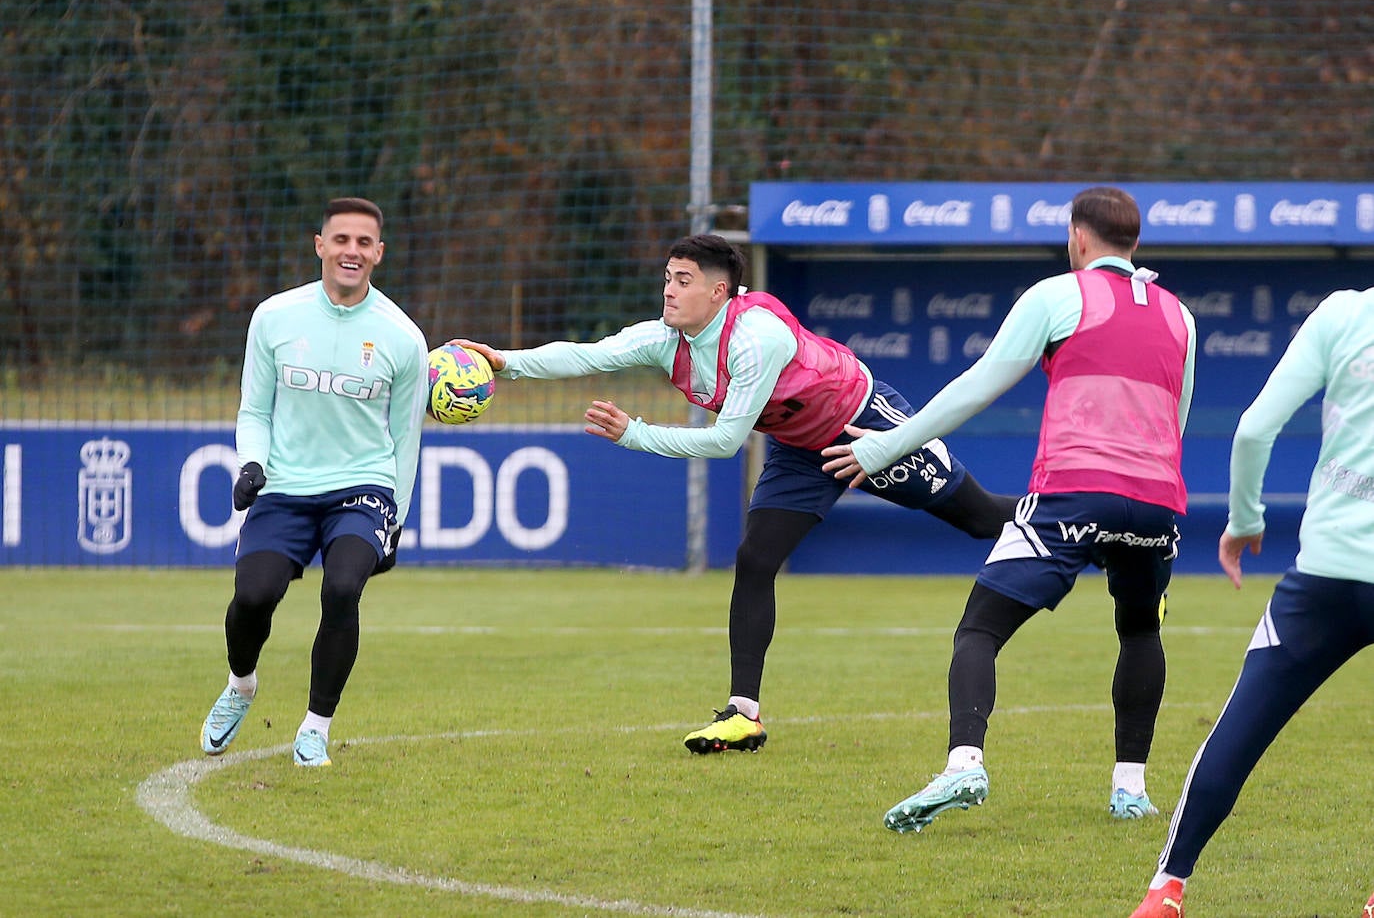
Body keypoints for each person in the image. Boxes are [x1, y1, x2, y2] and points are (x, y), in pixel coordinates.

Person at [453, 233, 1018, 754]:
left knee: (982, 518)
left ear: (718, 291)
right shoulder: (664, 338)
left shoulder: (755, 337)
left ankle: (1077, 518)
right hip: (801, 449)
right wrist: (505, 363)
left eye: (682, 280)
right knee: (755, 559)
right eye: (667, 278)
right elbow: (587, 354)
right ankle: (743, 713)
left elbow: (726, 442)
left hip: (864, 424)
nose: (668, 291)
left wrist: (636, 434)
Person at [823, 186, 1197, 830]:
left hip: (1074, 492)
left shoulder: (1057, 294)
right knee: (1140, 631)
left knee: (980, 629)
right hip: (1158, 502)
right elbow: (1178, 419)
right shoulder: (1180, 316)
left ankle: (965, 764)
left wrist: (888, 444)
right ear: (1136, 243)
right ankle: (1130, 790)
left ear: (1078, 236)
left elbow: (979, 385)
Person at [1130, 285, 1374, 917]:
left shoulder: (1344, 313)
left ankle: (1167, 888)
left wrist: (1244, 520)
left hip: (1325, 576)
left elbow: (1254, 429)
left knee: (1242, 726)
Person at [199, 197, 429, 767]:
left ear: (379, 253)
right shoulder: (274, 317)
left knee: (343, 587)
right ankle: (242, 685)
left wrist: (394, 521)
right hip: (285, 487)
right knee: (252, 597)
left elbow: (405, 439)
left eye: (364, 243)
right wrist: (251, 463)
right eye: (341, 239)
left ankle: (315, 729)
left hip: (362, 486)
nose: (352, 251)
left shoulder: (403, 338)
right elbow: (254, 409)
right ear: (320, 245)